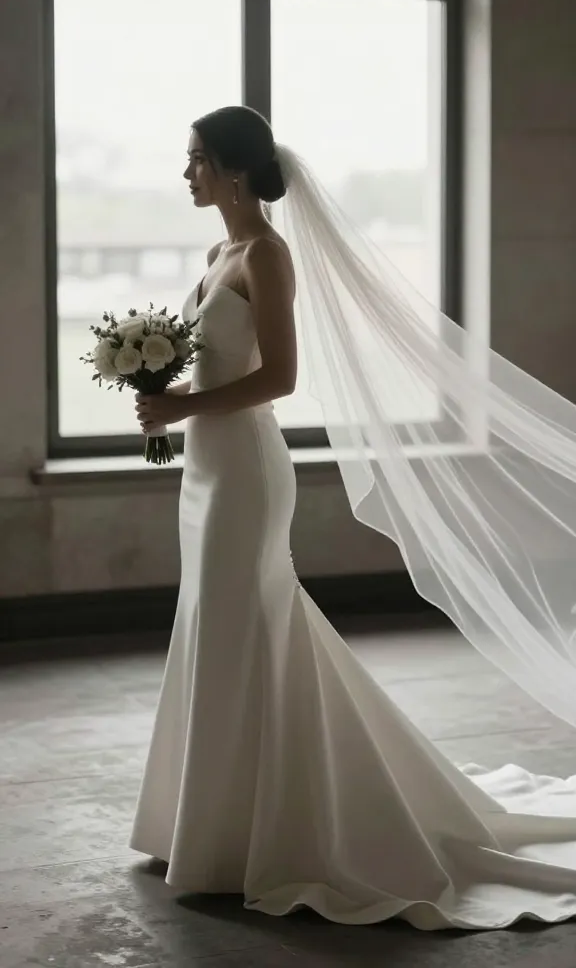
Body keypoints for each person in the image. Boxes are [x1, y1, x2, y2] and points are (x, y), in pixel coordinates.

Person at [130, 106, 576, 929]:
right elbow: (222, 364)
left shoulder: (267, 255)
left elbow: (281, 380)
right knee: (218, 627)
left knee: (247, 624)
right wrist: (175, 403)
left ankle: (263, 830)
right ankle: (206, 821)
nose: (185, 172)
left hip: (246, 473)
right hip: (203, 470)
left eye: (194, 158)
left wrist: (185, 404)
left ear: (232, 168)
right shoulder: (214, 252)